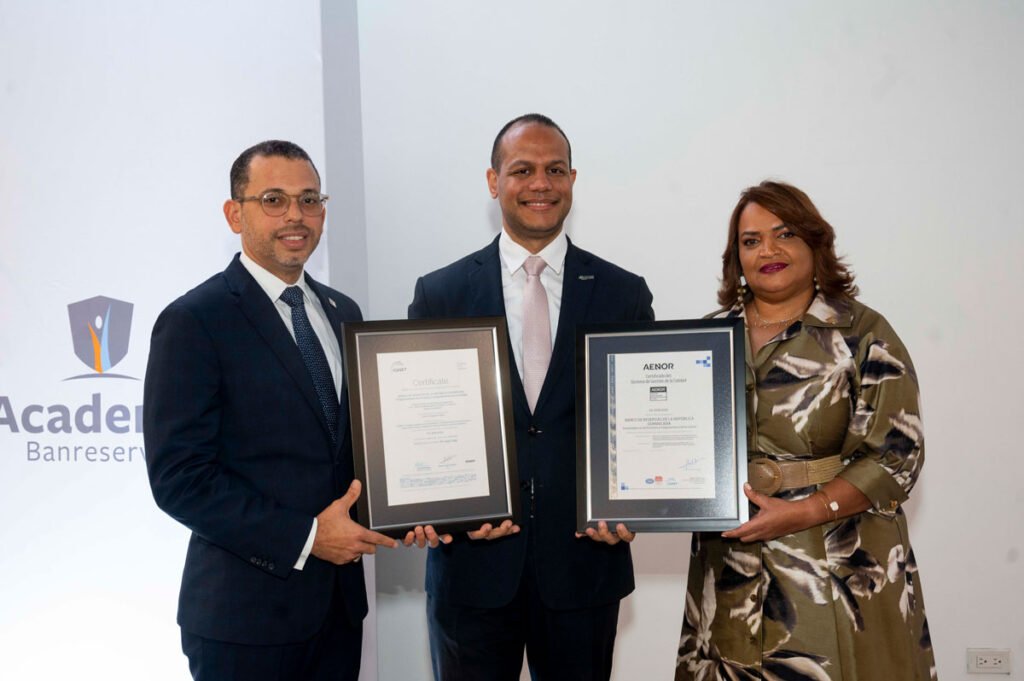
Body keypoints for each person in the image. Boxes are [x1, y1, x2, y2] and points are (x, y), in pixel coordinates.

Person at [406, 114, 655, 680]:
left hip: (584, 564)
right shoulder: (441, 293)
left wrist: (637, 501)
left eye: (555, 170)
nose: (540, 183)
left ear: (573, 180)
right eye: (522, 170)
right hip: (471, 568)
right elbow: (420, 426)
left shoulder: (622, 293)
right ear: (493, 181)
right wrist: (440, 511)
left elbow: (641, 423)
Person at [144, 140, 398, 681]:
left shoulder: (343, 311)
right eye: (274, 200)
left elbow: (356, 449)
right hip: (244, 620)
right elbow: (180, 479)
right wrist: (307, 537)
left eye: (309, 200)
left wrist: (418, 508)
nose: (296, 216)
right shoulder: (195, 320)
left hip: (337, 613)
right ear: (235, 213)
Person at [675, 181, 935, 680]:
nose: (767, 250)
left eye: (785, 234)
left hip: (839, 556)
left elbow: (895, 455)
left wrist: (807, 510)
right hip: (731, 562)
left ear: (815, 243)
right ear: (736, 258)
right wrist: (626, 499)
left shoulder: (863, 333)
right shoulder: (705, 336)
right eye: (751, 241)